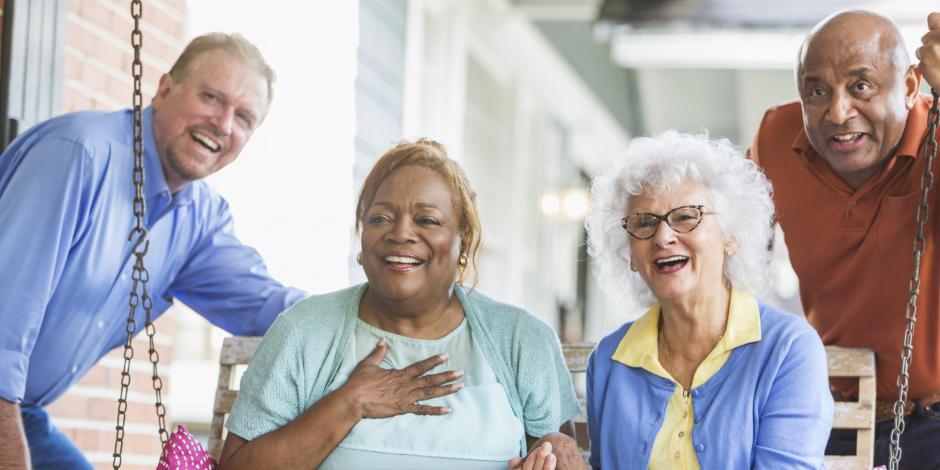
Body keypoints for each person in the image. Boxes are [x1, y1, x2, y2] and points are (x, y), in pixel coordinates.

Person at [0, 33, 304, 469]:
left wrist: (391, 316)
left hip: (20, 409)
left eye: (243, 117)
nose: (223, 123)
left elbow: (272, 308)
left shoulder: (199, 221)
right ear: (164, 89)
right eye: (211, 97)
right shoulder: (78, 155)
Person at [219, 139, 584, 470]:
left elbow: (559, 456)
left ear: (463, 242)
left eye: (427, 220)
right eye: (380, 218)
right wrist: (351, 401)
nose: (400, 233)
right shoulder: (305, 330)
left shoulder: (521, 340)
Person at [751, 10, 940, 467]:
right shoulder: (777, 137)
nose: (837, 113)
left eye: (861, 87)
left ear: (911, 86)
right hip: (833, 409)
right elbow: (724, 251)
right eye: (817, 91)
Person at [585, 131, 833, 469]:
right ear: (629, 252)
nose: (663, 237)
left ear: (731, 235)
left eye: (686, 216)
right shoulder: (610, 359)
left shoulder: (788, 350)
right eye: (644, 223)